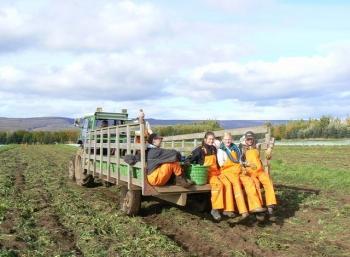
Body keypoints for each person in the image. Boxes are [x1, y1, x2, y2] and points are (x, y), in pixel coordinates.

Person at [186, 131, 234, 221]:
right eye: (209, 139)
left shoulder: (213, 149)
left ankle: (227, 209)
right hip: (207, 174)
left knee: (228, 183)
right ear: (205, 140)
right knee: (218, 185)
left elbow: (216, 163)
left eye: (213, 139)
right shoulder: (200, 149)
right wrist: (190, 165)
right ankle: (215, 209)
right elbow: (189, 159)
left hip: (217, 172)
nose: (211, 141)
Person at [217, 132, 266, 218]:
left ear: (231, 139)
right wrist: (233, 165)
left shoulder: (235, 148)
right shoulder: (221, 150)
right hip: (228, 172)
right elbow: (221, 164)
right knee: (237, 184)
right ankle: (243, 210)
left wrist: (245, 164)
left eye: (229, 139)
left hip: (238, 169)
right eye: (226, 139)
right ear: (223, 140)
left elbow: (239, 161)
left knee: (249, 181)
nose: (228, 141)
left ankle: (255, 206)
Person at [240, 131, 277, 219]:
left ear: (253, 139)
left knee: (268, 181)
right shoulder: (241, 146)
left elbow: (272, 140)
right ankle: (259, 209)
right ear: (245, 139)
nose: (249, 141)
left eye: (251, 139)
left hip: (260, 171)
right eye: (248, 139)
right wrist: (246, 163)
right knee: (255, 185)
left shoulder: (257, 144)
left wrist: (270, 148)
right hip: (250, 173)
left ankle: (270, 206)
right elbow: (239, 160)